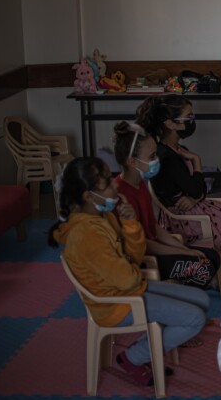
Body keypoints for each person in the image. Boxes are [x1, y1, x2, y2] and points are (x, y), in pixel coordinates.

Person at [49, 157, 209, 386]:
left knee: (201, 300)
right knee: (195, 319)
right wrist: (131, 268)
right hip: (117, 303)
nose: (115, 185)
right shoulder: (86, 234)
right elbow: (127, 279)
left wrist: (130, 224)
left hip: (130, 289)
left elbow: (133, 258)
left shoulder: (101, 218)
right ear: (88, 196)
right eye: (107, 183)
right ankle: (134, 357)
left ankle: (146, 346)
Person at [136, 94, 221, 263]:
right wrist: (197, 161)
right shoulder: (168, 158)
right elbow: (195, 188)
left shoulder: (178, 149)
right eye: (188, 117)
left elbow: (199, 190)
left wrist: (195, 196)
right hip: (187, 220)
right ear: (170, 124)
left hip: (198, 208)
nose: (192, 121)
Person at [112, 121, 220, 289]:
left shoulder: (139, 184)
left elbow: (154, 228)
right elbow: (144, 243)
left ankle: (182, 284)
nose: (157, 160)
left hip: (155, 248)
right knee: (203, 267)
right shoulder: (120, 193)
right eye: (152, 156)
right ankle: (181, 294)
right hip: (143, 257)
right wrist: (185, 252)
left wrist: (182, 248)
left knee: (213, 257)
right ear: (133, 162)